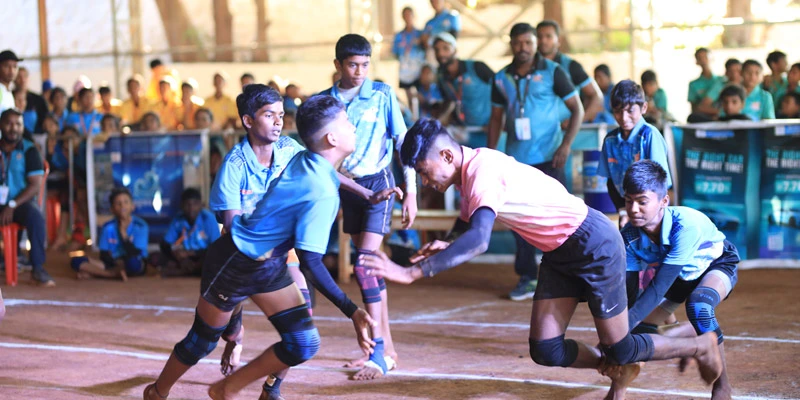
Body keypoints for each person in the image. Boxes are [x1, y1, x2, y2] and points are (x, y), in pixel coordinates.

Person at [362, 119, 725, 399]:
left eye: (424, 171)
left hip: (593, 243)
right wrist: (448, 242)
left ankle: (699, 344)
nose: (425, 182)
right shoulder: (473, 169)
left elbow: (480, 239)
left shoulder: (481, 172)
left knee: (623, 345)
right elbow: (469, 220)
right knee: (546, 349)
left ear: (445, 156)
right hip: (558, 254)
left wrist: (411, 272)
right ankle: (616, 368)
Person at [142, 94, 376, 400]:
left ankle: (246, 388)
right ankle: (157, 392)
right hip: (235, 261)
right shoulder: (320, 193)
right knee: (202, 342)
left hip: (269, 265)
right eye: (347, 122)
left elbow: (329, 172)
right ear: (331, 137)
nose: (354, 126)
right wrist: (353, 310)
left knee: (303, 342)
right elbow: (311, 263)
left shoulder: (300, 156)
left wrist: (366, 193)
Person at [319, 33, 417, 380]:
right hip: (348, 188)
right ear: (338, 65)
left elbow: (403, 142)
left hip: (379, 184)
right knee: (369, 267)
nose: (359, 71)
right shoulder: (325, 102)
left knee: (363, 265)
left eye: (364, 64)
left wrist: (413, 191)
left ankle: (377, 351)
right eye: (351, 64)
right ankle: (387, 348)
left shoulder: (381, 94)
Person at [608, 160, 739, 400]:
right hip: (678, 275)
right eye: (629, 201)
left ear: (664, 201)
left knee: (699, 306)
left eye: (642, 201)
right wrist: (621, 332)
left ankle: (723, 387)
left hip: (715, 266)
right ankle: (616, 394)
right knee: (635, 333)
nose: (634, 209)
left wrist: (618, 331)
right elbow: (629, 292)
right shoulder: (627, 237)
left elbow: (659, 287)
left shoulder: (684, 226)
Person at [208, 84, 309, 394]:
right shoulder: (234, 165)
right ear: (248, 121)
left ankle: (272, 385)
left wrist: (365, 192)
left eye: (281, 115)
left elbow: (323, 173)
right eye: (269, 115)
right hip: (239, 253)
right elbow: (232, 227)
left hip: (280, 250)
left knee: (302, 326)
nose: (279, 122)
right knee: (222, 326)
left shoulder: (291, 150)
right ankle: (234, 337)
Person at [488, 22, 584, 301]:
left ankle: (568, 276)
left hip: (551, 157)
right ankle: (528, 277)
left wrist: (566, 144)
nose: (524, 48)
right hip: (518, 162)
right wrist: (491, 155)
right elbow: (496, 119)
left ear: (535, 44)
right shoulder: (501, 78)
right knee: (519, 220)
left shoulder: (554, 71)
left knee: (561, 217)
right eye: (518, 43)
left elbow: (577, 109)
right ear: (511, 44)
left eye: (528, 43)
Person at [598, 79, 672, 226]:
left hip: (651, 211)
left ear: (643, 107)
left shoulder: (649, 135)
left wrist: (647, 212)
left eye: (630, 111)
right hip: (627, 209)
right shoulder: (610, 140)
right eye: (618, 111)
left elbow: (660, 183)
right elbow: (611, 182)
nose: (624, 118)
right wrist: (623, 210)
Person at [0, 108, 56, 286]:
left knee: (36, 217)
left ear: (23, 127)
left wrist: (12, 204)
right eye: (9, 123)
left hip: (19, 203)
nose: (13, 128)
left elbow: (35, 185)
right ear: (1, 125)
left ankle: (38, 268)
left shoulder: (30, 150)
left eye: (18, 124)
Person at [69, 187, 148, 280]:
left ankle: (95, 274)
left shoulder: (140, 226)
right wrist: (115, 262)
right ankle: (110, 275)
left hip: (133, 262)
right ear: (112, 209)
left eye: (126, 202)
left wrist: (123, 233)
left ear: (132, 206)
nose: (122, 206)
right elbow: (104, 255)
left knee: (133, 263)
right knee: (76, 261)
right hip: (113, 263)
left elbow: (135, 252)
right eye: (118, 203)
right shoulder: (108, 227)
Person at [433, 32, 494, 147]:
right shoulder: (442, 77)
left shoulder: (477, 68)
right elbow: (450, 101)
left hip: (487, 131)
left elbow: (502, 91)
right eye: (437, 50)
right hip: (464, 132)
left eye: (445, 48)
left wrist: (499, 122)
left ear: (455, 50)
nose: (441, 53)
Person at [536, 20, 604, 123]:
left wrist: (578, 120)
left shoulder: (571, 66)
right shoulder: (529, 67)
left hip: (566, 131)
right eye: (539, 37)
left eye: (548, 36)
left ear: (558, 40)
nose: (543, 41)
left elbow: (596, 96)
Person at [159, 188, 220, 277]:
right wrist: (176, 254)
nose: (191, 208)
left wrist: (191, 253)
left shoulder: (208, 218)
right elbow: (165, 244)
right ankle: (190, 270)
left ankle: (185, 271)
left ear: (201, 205)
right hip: (184, 258)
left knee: (214, 260)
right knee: (159, 258)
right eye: (187, 204)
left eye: (195, 204)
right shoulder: (178, 219)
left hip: (201, 255)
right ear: (181, 206)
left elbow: (215, 247)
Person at [393, 6, 426, 103]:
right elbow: (395, 52)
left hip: (418, 69)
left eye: (409, 15)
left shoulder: (420, 34)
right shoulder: (399, 36)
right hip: (405, 70)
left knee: (421, 95)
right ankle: (412, 116)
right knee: (409, 96)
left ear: (414, 16)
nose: (408, 18)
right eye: (405, 15)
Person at [688, 48, 723, 121]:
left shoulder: (721, 80)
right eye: (700, 58)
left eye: (705, 57)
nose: (703, 61)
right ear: (696, 61)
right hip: (705, 119)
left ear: (712, 59)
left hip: (722, 118)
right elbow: (694, 108)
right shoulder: (693, 84)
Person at [13, 66, 49, 133]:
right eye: (19, 77)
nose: (22, 80)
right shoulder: (9, 97)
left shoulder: (39, 99)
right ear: (14, 78)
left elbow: (45, 121)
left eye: (25, 76)